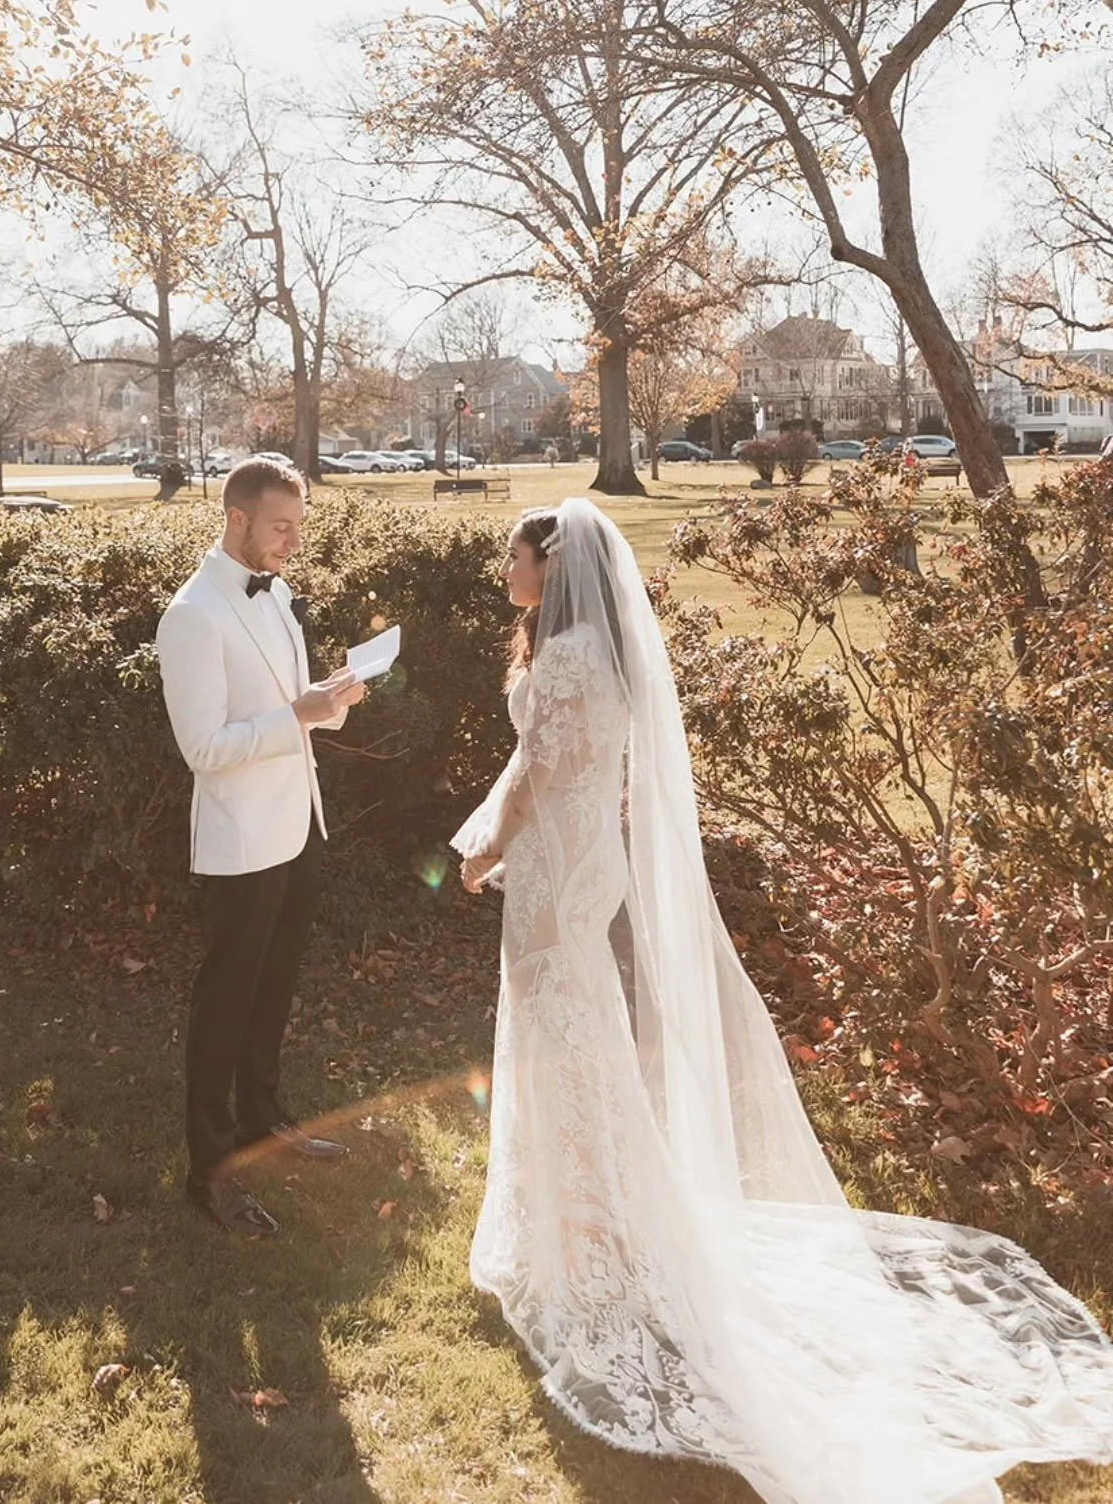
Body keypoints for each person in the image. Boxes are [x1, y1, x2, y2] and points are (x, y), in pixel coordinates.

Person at [452, 498, 1113, 1504]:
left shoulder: (569, 655)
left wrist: (486, 847)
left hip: (557, 865)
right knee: (574, 1029)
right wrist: (491, 830)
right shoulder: (587, 646)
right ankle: (592, 1216)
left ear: (553, 562)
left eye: (515, 553)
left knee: (563, 1033)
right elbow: (540, 763)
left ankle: (593, 1234)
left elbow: (539, 771)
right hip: (576, 860)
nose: (506, 567)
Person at [157, 458, 367, 1238]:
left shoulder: (275, 591)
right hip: (242, 841)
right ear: (237, 518)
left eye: (299, 527)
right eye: (281, 526)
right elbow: (205, 748)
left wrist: (333, 700)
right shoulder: (193, 615)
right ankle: (210, 1174)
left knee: (273, 989)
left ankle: (264, 1121)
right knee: (225, 1006)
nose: (293, 541)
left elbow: (293, 709)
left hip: (298, 824)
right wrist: (300, 715)